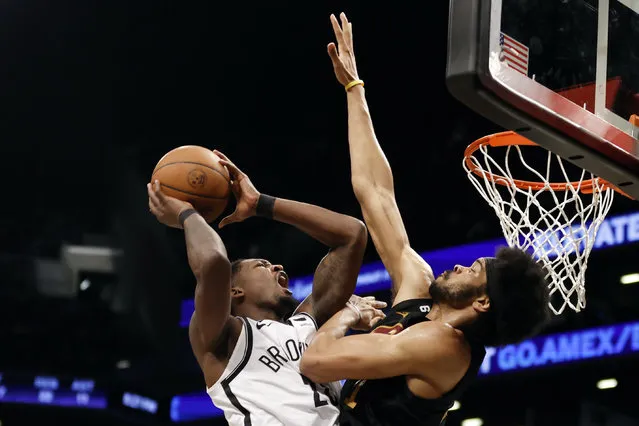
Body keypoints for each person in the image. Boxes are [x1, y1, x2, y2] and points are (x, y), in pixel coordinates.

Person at [299, 13, 551, 426]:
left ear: (483, 302)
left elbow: (317, 360)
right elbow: (375, 191)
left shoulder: (445, 348)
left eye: (473, 270)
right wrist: (353, 88)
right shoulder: (419, 286)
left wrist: (348, 315)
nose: (457, 265)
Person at [147, 150, 377, 426]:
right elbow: (214, 261)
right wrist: (187, 214)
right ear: (234, 291)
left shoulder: (308, 324)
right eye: (262, 265)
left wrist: (261, 204)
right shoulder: (223, 337)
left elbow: (352, 235)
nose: (279, 268)